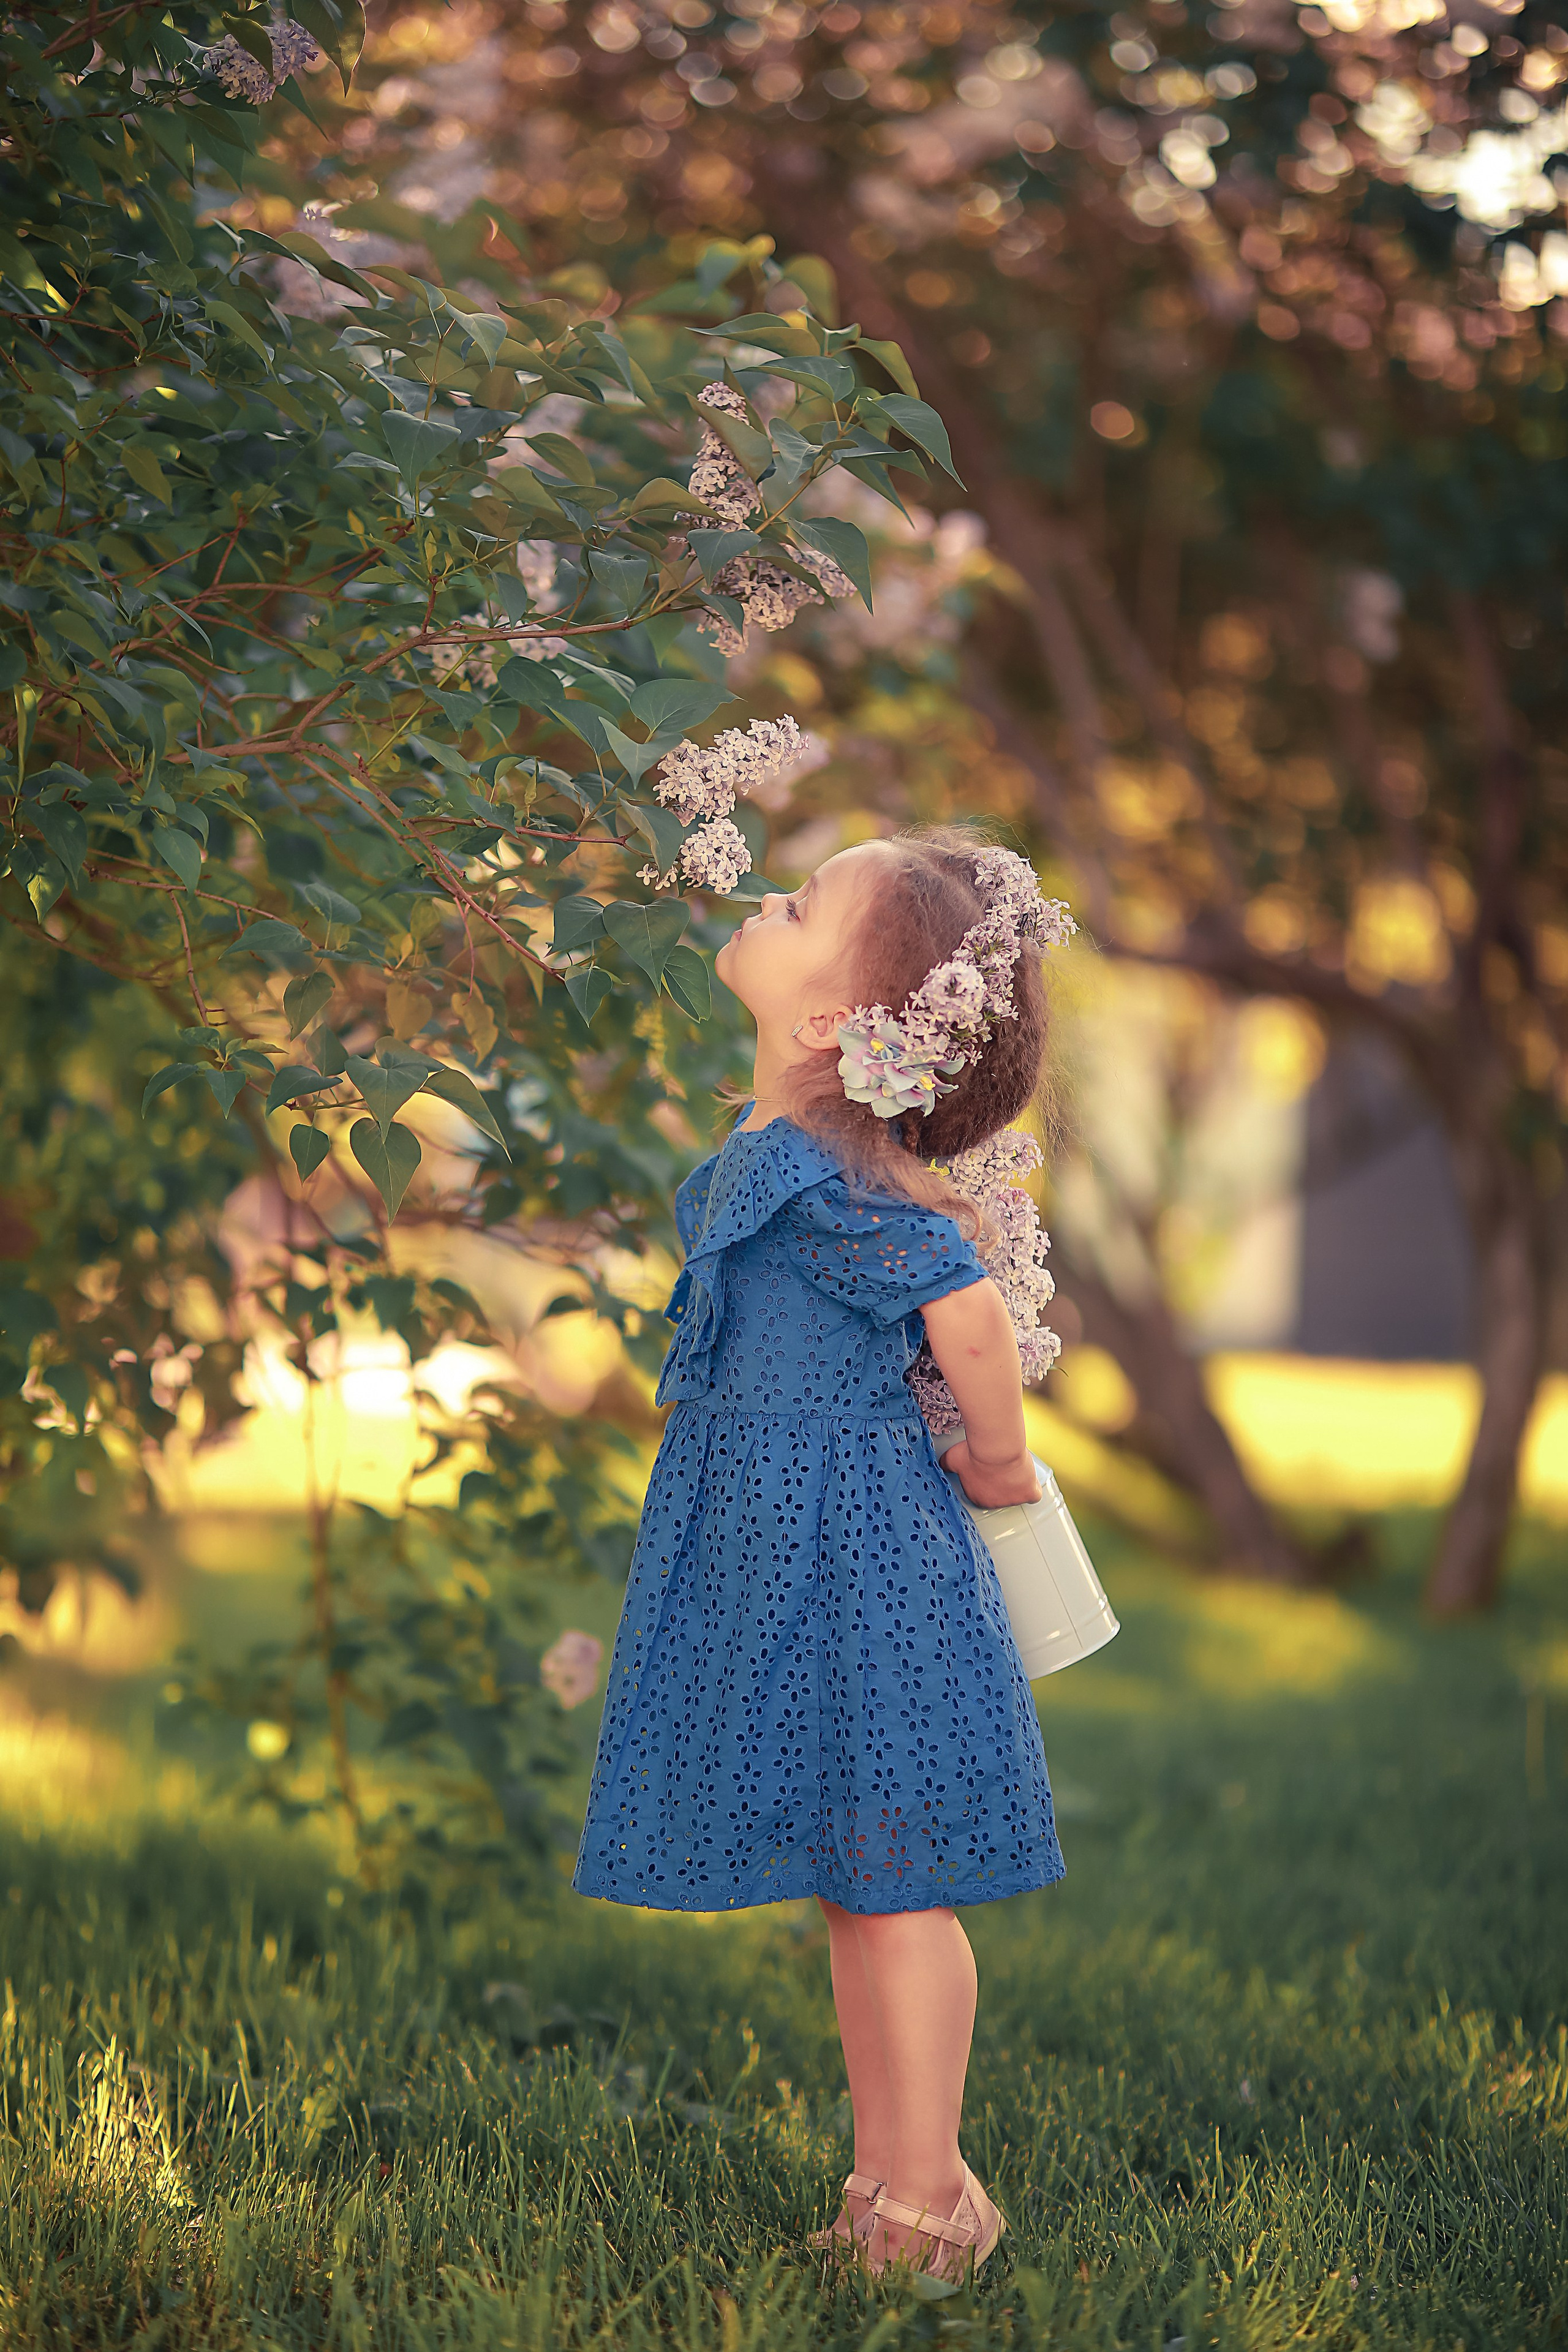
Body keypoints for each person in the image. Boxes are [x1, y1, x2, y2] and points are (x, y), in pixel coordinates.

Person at [571, 827, 1074, 2282]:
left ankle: (924, 2202)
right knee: (860, 1884)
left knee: (893, 1883)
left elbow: (964, 1310)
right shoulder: (778, 1156)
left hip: (863, 1567)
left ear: (825, 1027)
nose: (759, 899)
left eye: (795, 903)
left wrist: (999, 1465)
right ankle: (895, 2184)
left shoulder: (827, 1181)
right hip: (795, 1558)